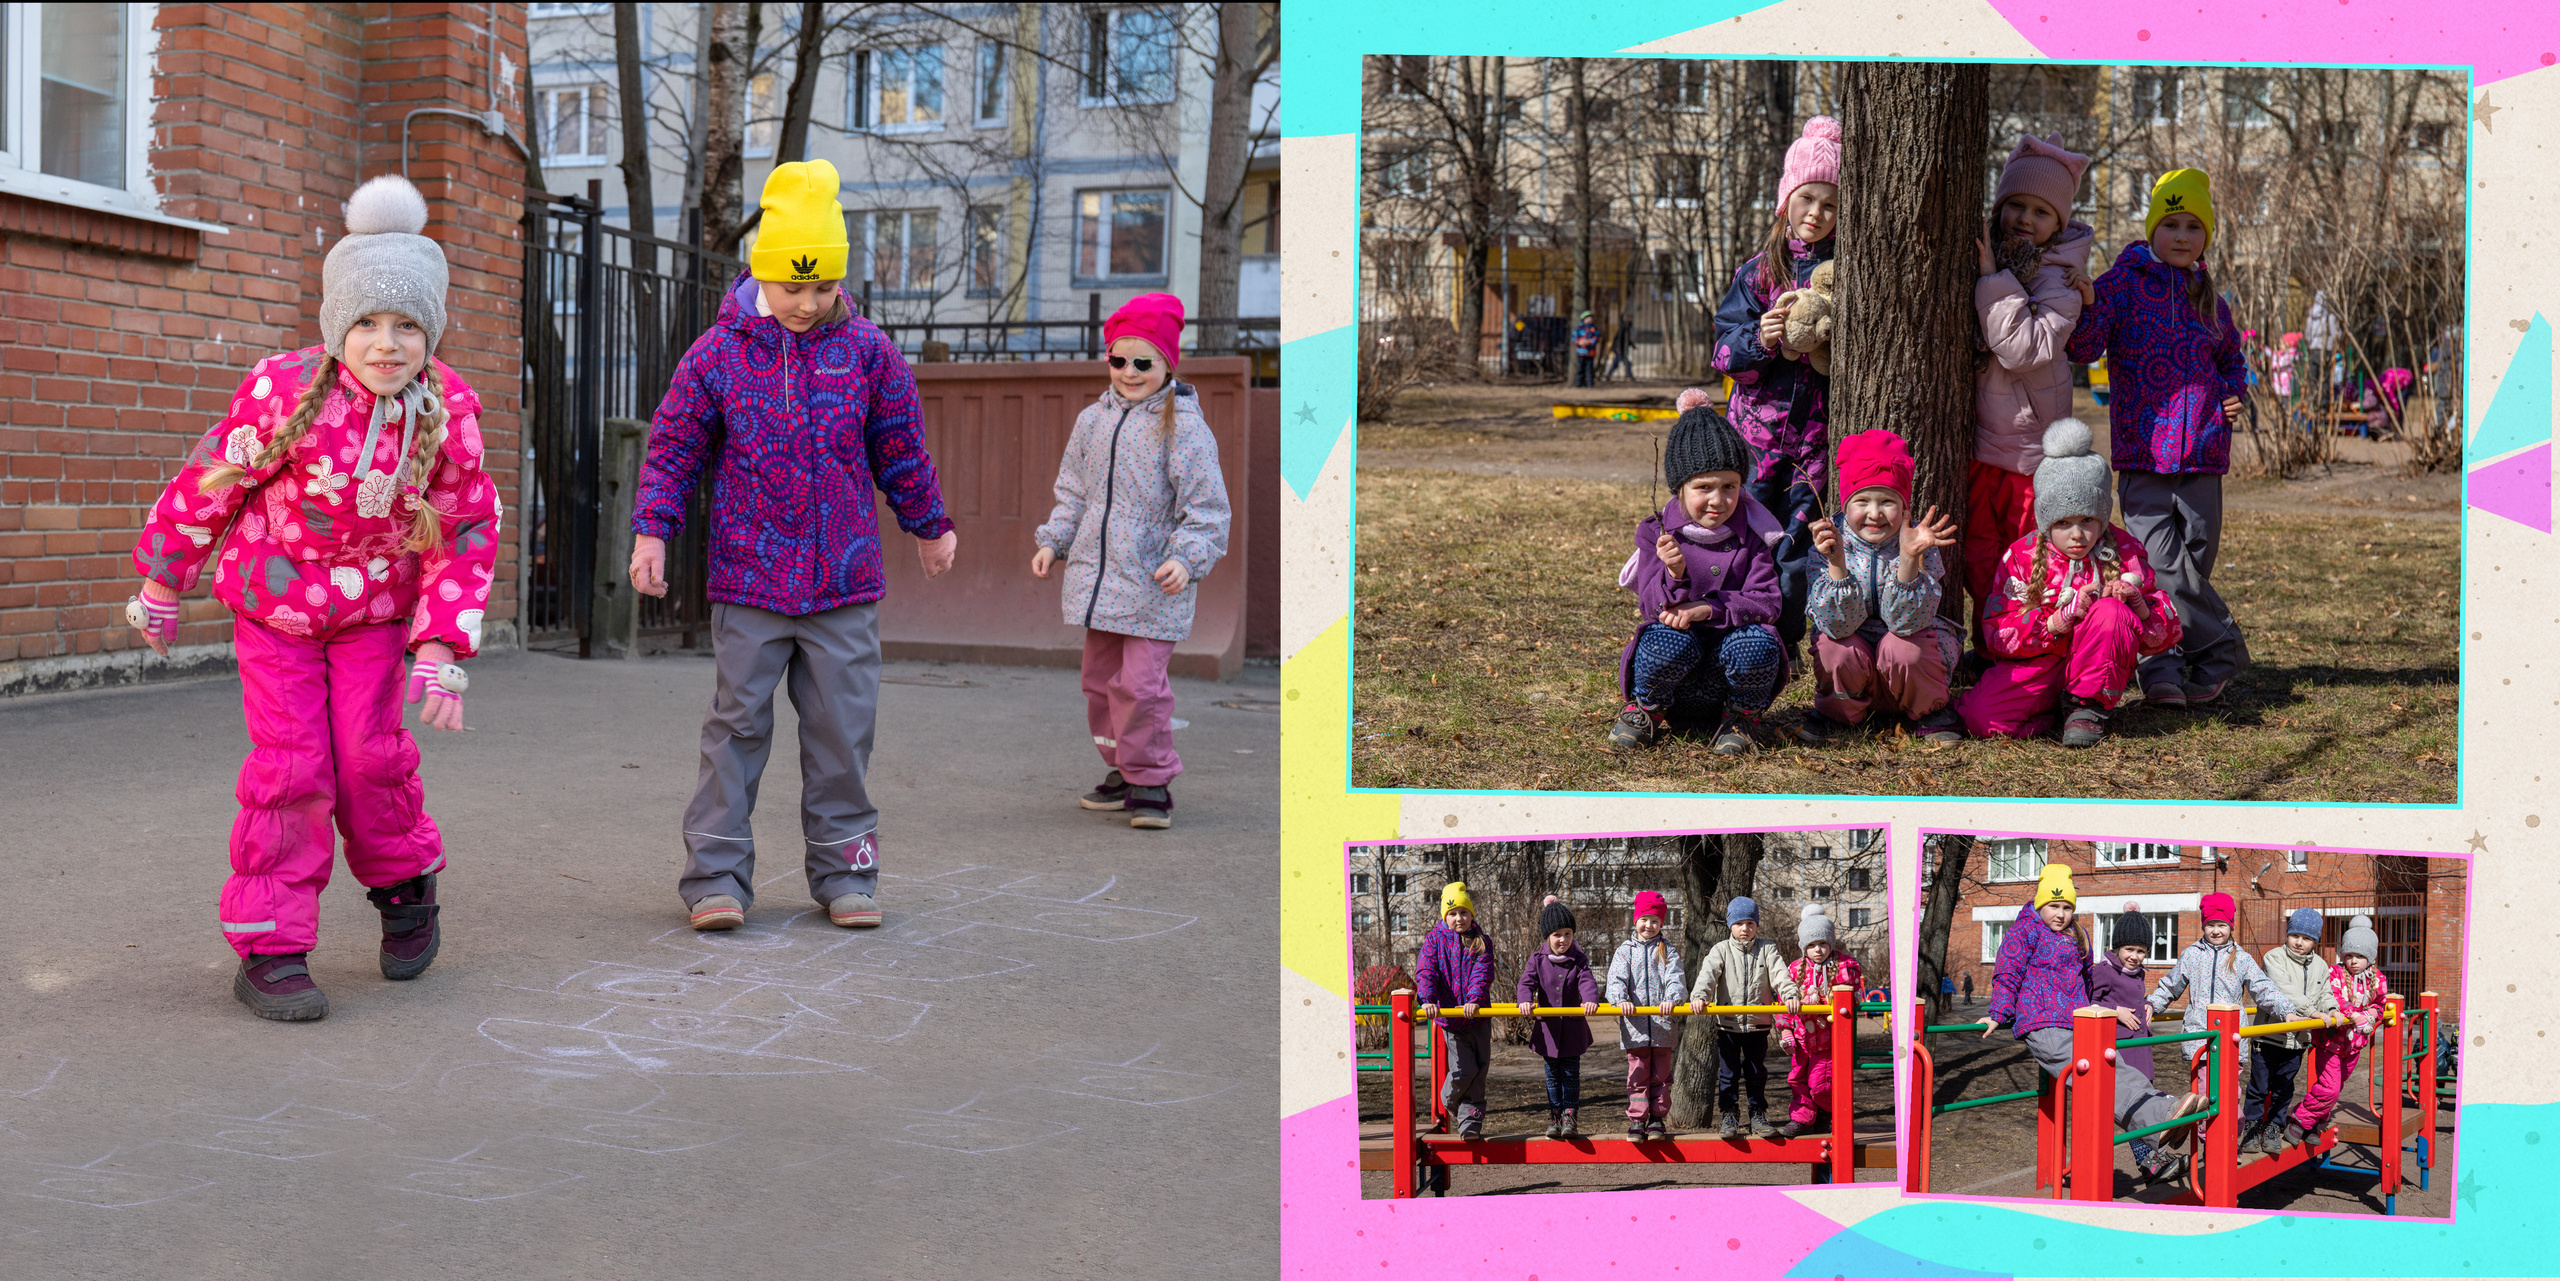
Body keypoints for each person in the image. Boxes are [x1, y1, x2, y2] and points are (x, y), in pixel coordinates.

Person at [127, 175, 499, 1020]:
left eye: (409, 324)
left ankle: (406, 886)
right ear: (338, 323)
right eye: (367, 321)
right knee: (295, 768)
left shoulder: (449, 410)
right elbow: (211, 481)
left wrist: (440, 644)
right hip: (278, 612)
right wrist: (161, 578)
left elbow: (467, 525)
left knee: (368, 758)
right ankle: (271, 941)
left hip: (374, 616)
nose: (387, 342)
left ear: (431, 332)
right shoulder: (286, 388)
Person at [631, 160, 957, 933]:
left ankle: (847, 872)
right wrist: (653, 528)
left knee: (843, 728)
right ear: (761, 274)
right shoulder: (716, 354)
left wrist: (929, 522)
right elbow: (674, 446)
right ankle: (714, 874)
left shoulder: (869, 353)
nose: (806, 304)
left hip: (844, 582)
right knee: (737, 724)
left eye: (820, 288)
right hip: (750, 580)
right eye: (790, 287)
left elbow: (901, 447)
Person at [1034, 293, 1233, 829]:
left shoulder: (1183, 427)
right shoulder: (1090, 421)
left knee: (1140, 686)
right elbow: (1073, 491)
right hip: (1099, 583)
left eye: (1143, 362)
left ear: (1168, 364)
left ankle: (1151, 778)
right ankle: (1121, 767)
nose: (1129, 372)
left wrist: (1187, 560)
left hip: (1152, 583)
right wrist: (1054, 541)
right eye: (1118, 360)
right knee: (1100, 685)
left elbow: (1207, 509)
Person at [2064, 168, 2250, 708]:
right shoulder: (2122, 284)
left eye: (2195, 225)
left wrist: (2232, 393)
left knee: (2193, 560)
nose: (2183, 235)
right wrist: (2087, 301)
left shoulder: (2208, 297)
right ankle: (2219, 650)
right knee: (2158, 564)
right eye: (2172, 223)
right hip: (2144, 453)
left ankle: (2168, 665)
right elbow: (2084, 349)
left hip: (2205, 452)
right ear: (2152, 230)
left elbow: (2231, 359)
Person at [1954, 419, 2182, 747]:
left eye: (2087, 520)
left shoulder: (2126, 550)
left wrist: (2140, 608)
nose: (2077, 534)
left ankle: (2085, 708)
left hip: (2095, 664)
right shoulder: (2020, 555)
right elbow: (1997, 632)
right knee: (1980, 719)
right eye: (2063, 522)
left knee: (2110, 612)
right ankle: (2050, 714)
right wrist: (2056, 621)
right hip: (2037, 664)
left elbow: (2163, 635)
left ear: (2102, 515)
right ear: (2046, 520)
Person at [1712, 116, 1841, 661]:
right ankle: (1729, 633)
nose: (1815, 212)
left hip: (1814, 447)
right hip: (1755, 443)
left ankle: (1782, 646)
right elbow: (1722, 351)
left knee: (1795, 549)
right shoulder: (1759, 273)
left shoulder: (1849, 271)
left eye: (1830, 204)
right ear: (1786, 199)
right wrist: (1759, 340)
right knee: (1743, 539)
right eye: (1806, 197)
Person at [1967, 133, 2096, 655]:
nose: (2024, 218)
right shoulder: (1986, 253)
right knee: (1978, 558)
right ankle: (1987, 646)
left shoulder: (2062, 280)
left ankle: (2030, 651)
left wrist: (1992, 280)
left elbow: (2022, 349)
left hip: (2027, 455)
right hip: (1979, 446)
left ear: (2059, 223)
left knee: (2029, 559)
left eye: (2040, 211)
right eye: (2015, 205)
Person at [1980, 867, 2206, 1163]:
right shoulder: (2024, 932)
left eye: (2067, 907)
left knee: (2118, 1067)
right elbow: (2008, 972)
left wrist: (2096, 1011)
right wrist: (1998, 1012)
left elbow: (2087, 979)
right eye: (2053, 906)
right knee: (2097, 1078)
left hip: (2077, 1022)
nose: (2060, 914)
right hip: (2042, 1023)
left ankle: (2167, 1110)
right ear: (2039, 905)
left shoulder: (2078, 934)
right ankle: (2157, 1121)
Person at [1608, 393, 1785, 754]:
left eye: (1729, 487)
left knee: (1760, 641)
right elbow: (1649, 607)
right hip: (1675, 675)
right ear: (1680, 489)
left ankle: (1741, 717)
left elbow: (1767, 602)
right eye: (1704, 487)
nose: (1718, 500)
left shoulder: (1754, 534)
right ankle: (1647, 710)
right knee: (1661, 636)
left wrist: (1708, 607)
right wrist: (1674, 573)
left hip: (1731, 673)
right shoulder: (1657, 532)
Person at [1800, 430, 1964, 744]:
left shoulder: (1920, 545)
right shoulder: (1828, 544)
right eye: (1862, 501)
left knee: (1902, 646)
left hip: (1906, 670)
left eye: (1887, 501)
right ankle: (1839, 715)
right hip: (1855, 671)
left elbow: (1909, 624)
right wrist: (1836, 562)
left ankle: (1929, 712)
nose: (1874, 513)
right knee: (1835, 646)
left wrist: (1907, 559)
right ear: (1845, 507)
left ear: (1904, 509)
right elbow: (1835, 625)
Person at [2147, 892, 2309, 1106]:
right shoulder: (2191, 955)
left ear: (2231, 927)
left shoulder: (2241, 958)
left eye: (2221, 925)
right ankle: (2207, 1136)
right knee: (2206, 1094)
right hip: (2200, 1037)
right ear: (2203, 926)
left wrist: (2286, 1011)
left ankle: (2231, 1129)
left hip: (2230, 1038)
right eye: (2210, 925)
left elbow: (2263, 988)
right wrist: (2150, 1004)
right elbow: (2170, 985)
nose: (2215, 931)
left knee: (2229, 1092)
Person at [2086, 913, 2183, 1182]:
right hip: (2119, 1051)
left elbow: (2137, 1001)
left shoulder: (2137, 973)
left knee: (2146, 1103)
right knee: (2132, 1107)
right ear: (2116, 947)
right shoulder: (2104, 971)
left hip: (2141, 1050)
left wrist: (2149, 1004)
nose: (2135, 956)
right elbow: (2086, 1002)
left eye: (2142, 951)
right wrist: (2115, 1011)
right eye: (2129, 949)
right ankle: (2147, 1161)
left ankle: (2155, 1156)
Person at [1695, 896, 1798, 1138]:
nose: (1745, 929)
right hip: (1728, 1025)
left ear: (1757, 926)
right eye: (1740, 923)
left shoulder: (1767, 949)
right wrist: (1700, 996)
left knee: (1756, 1073)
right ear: (1730, 925)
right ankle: (1729, 1113)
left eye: (1750, 924)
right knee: (1728, 1074)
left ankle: (1758, 1113)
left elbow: (1780, 974)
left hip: (1758, 1024)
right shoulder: (1721, 949)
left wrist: (1790, 994)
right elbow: (1707, 974)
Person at [2287, 915, 2390, 1145]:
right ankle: (2299, 1119)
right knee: (2330, 1089)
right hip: (2330, 1042)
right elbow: (2333, 999)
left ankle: (2316, 1122)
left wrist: (2370, 1015)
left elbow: (2380, 1004)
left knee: (2336, 1085)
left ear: (2370, 958)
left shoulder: (2378, 978)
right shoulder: (2334, 973)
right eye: (2349, 955)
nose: (2354, 961)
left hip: (2355, 1045)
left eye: (2360, 956)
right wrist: (2355, 1015)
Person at [2246, 907, 2340, 1153]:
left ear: (2315, 942)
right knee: (2258, 1086)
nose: (2299, 942)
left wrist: (2331, 1009)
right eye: (2295, 935)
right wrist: (2312, 1012)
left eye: (2307, 938)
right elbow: (2284, 989)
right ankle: (2252, 1128)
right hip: (2268, 1036)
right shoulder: (2274, 957)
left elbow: (2325, 993)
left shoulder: (2320, 965)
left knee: (2284, 1089)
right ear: (2287, 934)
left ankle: (2273, 1127)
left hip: (2297, 1040)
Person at [1413, 882, 1498, 1141]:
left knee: (1480, 1071)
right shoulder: (1434, 940)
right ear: (1444, 916)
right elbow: (1427, 971)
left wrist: (1474, 999)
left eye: (1463, 912)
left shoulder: (1481, 941)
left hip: (1478, 1016)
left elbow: (1482, 973)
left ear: (1471, 914)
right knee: (1464, 1069)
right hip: (1452, 1019)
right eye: (1452, 913)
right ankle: (1449, 1099)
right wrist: (1427, 999)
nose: (1458, 918)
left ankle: (1470, 1123)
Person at [1773, 904, 1862, 1139]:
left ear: (1831, 943)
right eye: (1811, 945)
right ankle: (1801, 1119)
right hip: (1802, 1039)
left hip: (1829, 1041)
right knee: (1797, 1079)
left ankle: (1825, 1114)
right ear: (1804, 947)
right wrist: (1785, 1031)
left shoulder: (1845, 966)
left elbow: (1851, 997)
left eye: (1823, 943)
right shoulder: (1794, 969)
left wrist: (1822, 997)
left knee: (1821, 1084)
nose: (1818, 950)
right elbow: (1783, 1003)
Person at [1515, 896, 1601, 1138]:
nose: (1562, 939)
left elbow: (1587, 981)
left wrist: (1591, 999)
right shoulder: (1537, 959)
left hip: (1573, 1029)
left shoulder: (1579, 959)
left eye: (1567, 934)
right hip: (1549, 1031)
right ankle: (1554, 1116)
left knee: (1571, 1075)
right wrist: (1524, 1000)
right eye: (1557, 935)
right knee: (1552, 1076)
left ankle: (1570, 1118)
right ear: (1547, 937)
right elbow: (1526, 983)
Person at [1606, 891, 1687, 1142]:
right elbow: (1616, 979)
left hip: (1662, 1024)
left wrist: (1671, 1000)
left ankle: (1657, 1118)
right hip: (1636, 1024)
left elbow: (1676, 979)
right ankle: (1638, 1119)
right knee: (1638, 1073)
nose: (1648, 925)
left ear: (1661, 924)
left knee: (1662, 1075)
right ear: (1635, 920)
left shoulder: (1668, 951)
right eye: (1644, 919)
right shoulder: (1625, 951)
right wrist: (1621, 999)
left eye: (1654, 921)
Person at [1572, 310, 1600, 387]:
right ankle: (1578, 383)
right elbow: (1574, 338)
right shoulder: (1579, 328)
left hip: (1590, 352)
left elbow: (1596, 337)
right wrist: (1580, 342)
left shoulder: (1593, 328)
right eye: (1588, 318)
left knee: (1589, 369)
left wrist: (1589, 342)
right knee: (1580, 368)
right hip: (1581, 352)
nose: (1590, 319)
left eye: (1590, 318)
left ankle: (1589, 384)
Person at [1604, 316, 1636, 382]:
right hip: (1620, 349)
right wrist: (1618, 348)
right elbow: (1619, 339)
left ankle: (1608, 375)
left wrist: (1632, 345)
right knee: (1626, 363)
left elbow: (1626, 339)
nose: (1631, 319)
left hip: (1622, 349)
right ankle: (1629, 375)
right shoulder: (1623, 327)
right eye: (1629, 318)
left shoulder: (1627, 327)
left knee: (1616, 364)